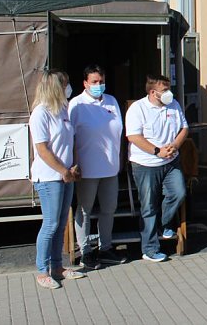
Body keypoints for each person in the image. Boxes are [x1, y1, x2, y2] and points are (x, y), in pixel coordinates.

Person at [30, 70, 85, 289]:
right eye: (65, 85)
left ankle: (57, 267)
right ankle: (42, 270)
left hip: (65, 175)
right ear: (55, 87)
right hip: (49, 177)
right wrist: (63, 170)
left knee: (61, 223)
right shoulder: (40, 113)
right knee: (50, 224)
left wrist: (72, 168)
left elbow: (69, 141)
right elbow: (42, 149)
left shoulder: (62, 109)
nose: (68, 88)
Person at [69, 64, 127, 269]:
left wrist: (120, 158)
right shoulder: (76, 104)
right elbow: (71, 137)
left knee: (109, 208)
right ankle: (85, 251)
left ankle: (105, 248)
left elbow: (119, 132)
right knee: (84, 210)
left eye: (101, 81)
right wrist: (75, 164)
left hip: (110, 166)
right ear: (85, 83)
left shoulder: (111, 101)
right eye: (94, 82)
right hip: (87, 168)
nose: (98, 85)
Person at [125, 74, 188, 262]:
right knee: (148, 205)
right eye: (165, 90)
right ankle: (150, 248)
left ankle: (164, 223)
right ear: (153, 92)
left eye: (169, 88)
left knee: (178, 192)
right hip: (146, 164)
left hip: (170, 161)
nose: (169, 93)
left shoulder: (174, 105)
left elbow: (184, 128)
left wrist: (174, 146)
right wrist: (157, 151)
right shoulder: (138, 109)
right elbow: (134, 136)